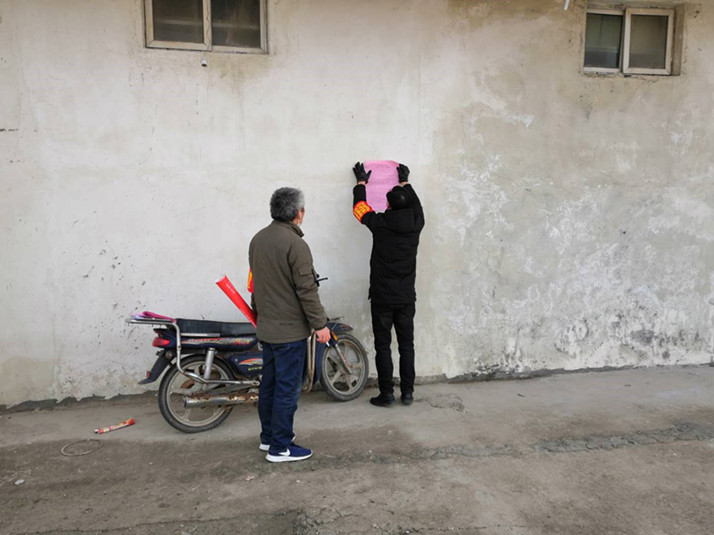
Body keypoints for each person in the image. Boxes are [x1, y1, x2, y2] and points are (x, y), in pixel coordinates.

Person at [249, 187, 331, 462]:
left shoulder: (258, 239)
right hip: (289, 333)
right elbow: (307, 289)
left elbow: (256, 285)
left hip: (268, 329)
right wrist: (320, 324)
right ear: (298, 213)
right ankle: (281, 447)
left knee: (269, 386)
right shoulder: (296, 245)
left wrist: (258, 316)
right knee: (287, 389)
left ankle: (268, 437)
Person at [352, 162, 425, 407]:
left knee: (383, 346)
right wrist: (406, 182)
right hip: (406, 297)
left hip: (382, 297)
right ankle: (408, 393)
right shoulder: (416, 223)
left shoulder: (380, 223)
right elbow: (416, 205)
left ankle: (386, 394)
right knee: (407, 345)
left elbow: (359, 209)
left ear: (388, 205)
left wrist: (361, 183)